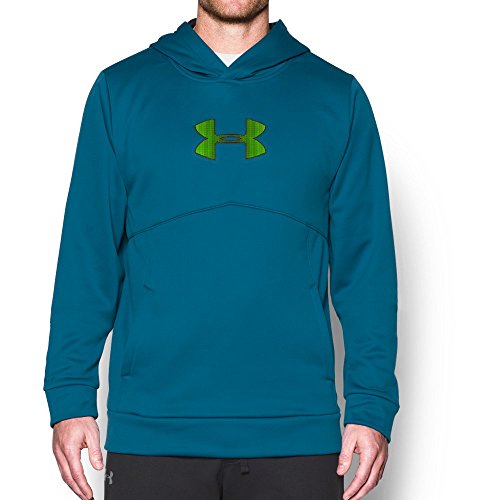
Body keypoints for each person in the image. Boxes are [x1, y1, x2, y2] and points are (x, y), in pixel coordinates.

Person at [43, 1, 399, 499]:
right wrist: (69, 396)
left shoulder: (337, 96)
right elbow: (88, 254)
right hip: (153, 433)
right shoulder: (120, 91)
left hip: (297, 435)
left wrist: (371, 404)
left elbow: (367, 268)